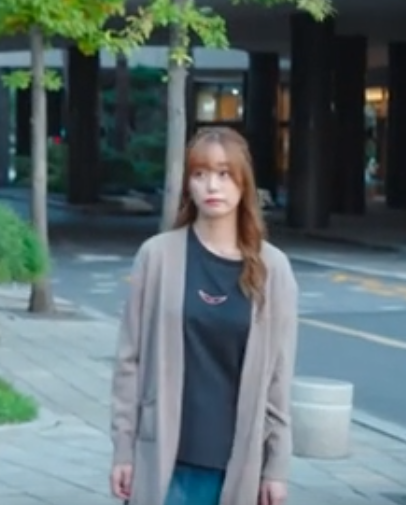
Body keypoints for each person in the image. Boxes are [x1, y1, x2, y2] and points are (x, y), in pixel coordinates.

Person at [108, 127, 299, 505]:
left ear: (244, 184)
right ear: (188, 185)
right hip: (165, 458)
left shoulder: (272, 268)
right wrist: (123, 450)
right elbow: (129, 361)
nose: (213, 185)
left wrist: (276, 466)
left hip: (239, 462)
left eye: (225, 174)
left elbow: (279, 376)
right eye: (200, 174)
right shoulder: (157, 256)